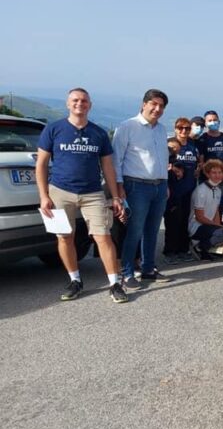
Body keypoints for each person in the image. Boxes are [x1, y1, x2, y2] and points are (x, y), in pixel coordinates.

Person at [35, 88, 128, 303]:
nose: (80, 103)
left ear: (90, 105)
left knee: (103, 237)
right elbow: (41, 165)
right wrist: (43, 195)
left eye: (84, 100)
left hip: (93, 192)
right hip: (59, 192)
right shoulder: (53, 129)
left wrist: (115, 197)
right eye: (75, 100)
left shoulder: (99, 133)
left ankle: (115, 283)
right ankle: (75, 280)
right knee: (64, 237)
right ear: (68, 104)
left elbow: (107, 167)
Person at [112, 89, 171, 290]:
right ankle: (127, 272)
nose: (157, 109)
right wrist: (119, 188)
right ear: (144, 104)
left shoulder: (162, 130)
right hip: (136, 185)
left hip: (159, 186)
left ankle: (148, 269)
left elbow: (163, 159)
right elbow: (116, 160)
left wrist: (166, 182)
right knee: (134, 230)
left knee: (152, 231)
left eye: (161, 106)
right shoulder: (127, 127)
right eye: (153, 104)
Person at [163, 118, 199, 263]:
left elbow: (198, 162)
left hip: (189, 189)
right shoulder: (170, 144)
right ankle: (170, 252)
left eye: (187, 128)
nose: (184, 131)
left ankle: (183, 250)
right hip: (172, 191)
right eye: (180, 128)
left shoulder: (193, 146)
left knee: (185, 220)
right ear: (175, 128)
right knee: (172, 221)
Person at [189, 159, 223, 261]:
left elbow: (216, 210)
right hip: (197, 226)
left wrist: (218, 225)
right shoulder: (201, 191)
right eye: (213, 172)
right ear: (207, 174)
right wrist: (218, 227)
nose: (217, 175)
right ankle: (200, 247)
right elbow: (199, 217)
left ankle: (212, 248)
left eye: (220, 172)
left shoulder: (218, 189)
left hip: (209, 224)